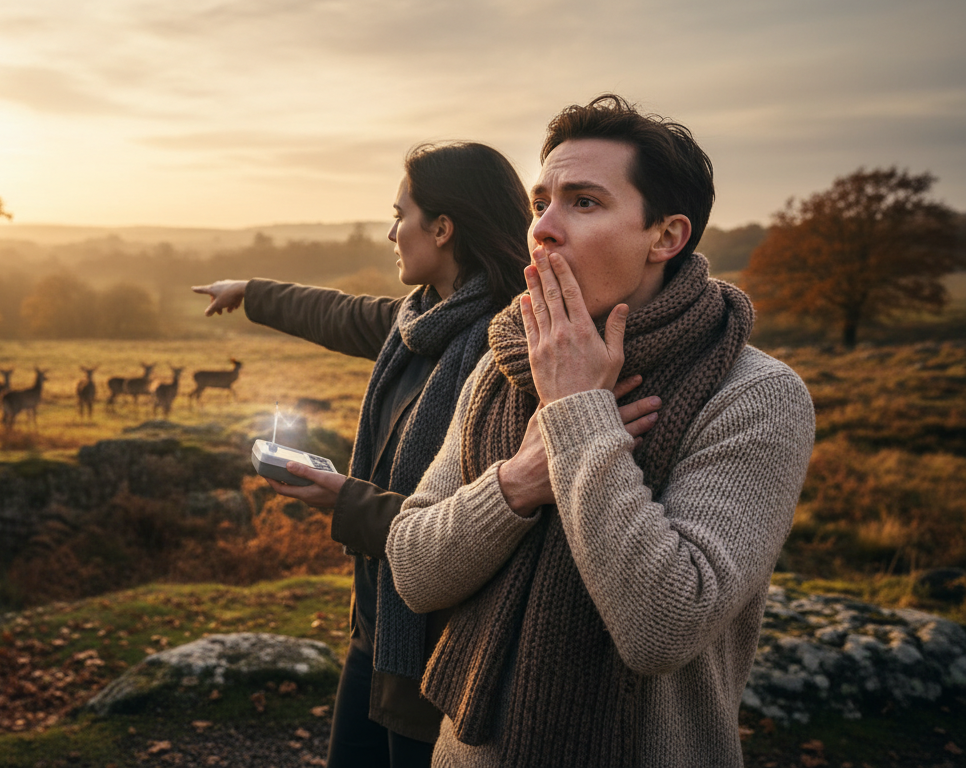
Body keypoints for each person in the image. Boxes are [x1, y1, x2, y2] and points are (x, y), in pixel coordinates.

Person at [194, 142, 663, 768]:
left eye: (399, 215)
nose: (391, 232)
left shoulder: (515, 352)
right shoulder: (420, 324)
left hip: (443, 647)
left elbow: (487, 517)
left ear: (441, 229)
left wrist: (344, 500)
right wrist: (249, 291)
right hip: (380, 621)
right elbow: (337, 313)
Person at [386, 94, 815, 768]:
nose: (544, 229)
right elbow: (411, 568)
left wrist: (576, 410)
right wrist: (520, 482)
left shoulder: (755, 393)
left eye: (584, 202)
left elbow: (663, 628)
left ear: (665, 237)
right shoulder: (507, 364)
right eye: (540, 203)